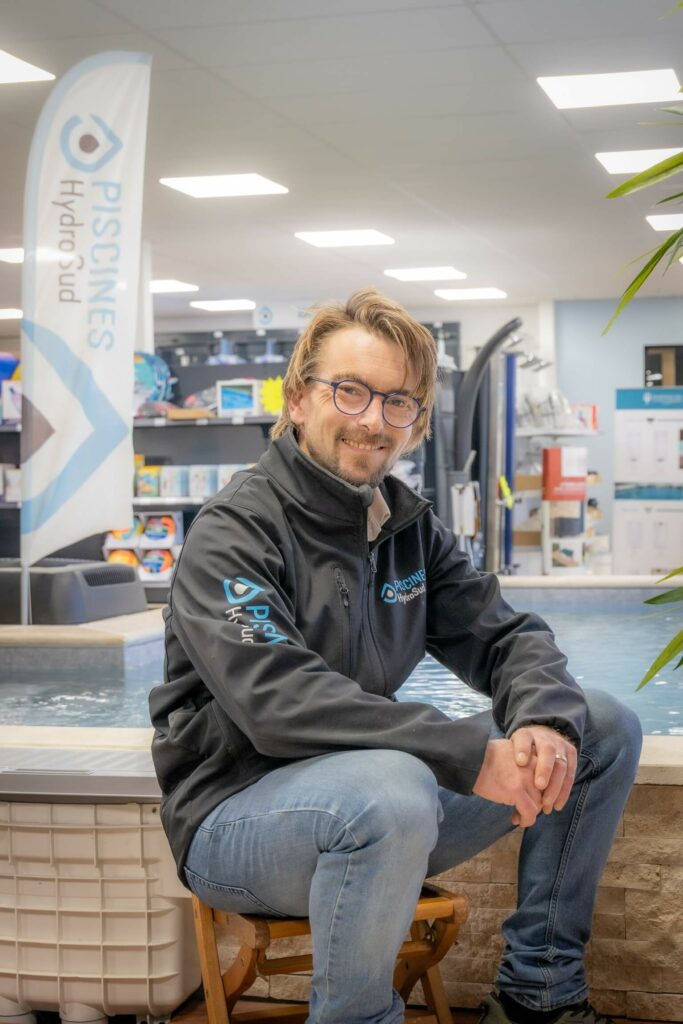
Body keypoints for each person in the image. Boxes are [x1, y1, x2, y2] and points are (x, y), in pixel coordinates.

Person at [149, 288, 642, 1024]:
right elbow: (278, 703)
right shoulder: (233, 532)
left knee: (596, 725)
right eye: (350, 391)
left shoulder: (406, 528)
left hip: (381, 803)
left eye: (398, 402)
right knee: (390, 785)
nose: (372, 420)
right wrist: (471, 751)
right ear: (297, 399)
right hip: (236, 820)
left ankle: (538, 993)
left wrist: (541, 721)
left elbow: (506, 635)